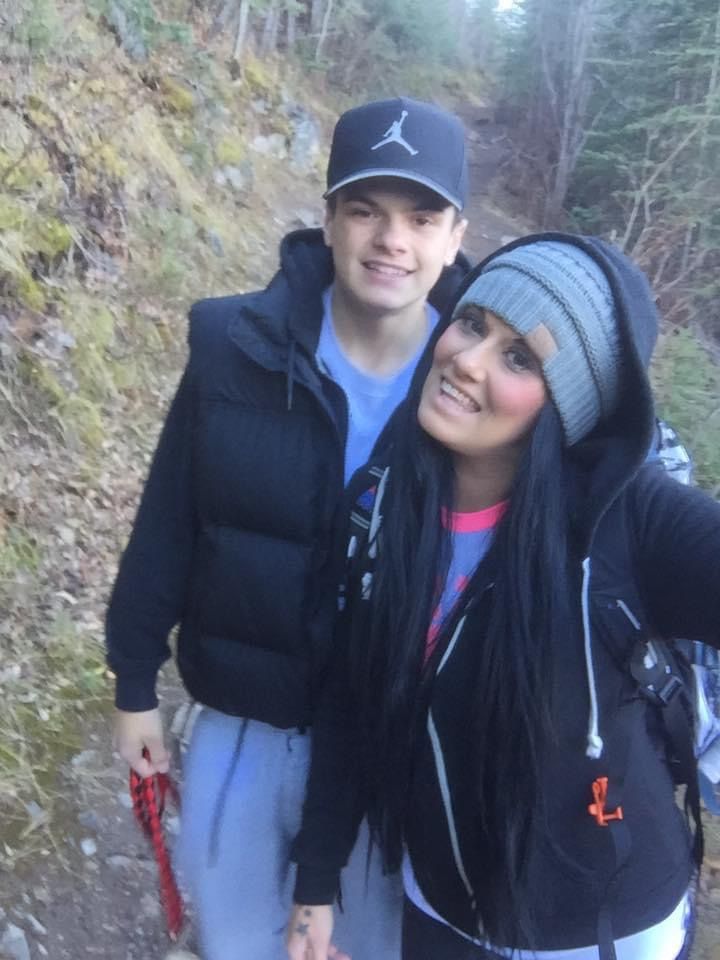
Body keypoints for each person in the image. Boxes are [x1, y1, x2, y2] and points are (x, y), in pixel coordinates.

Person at [105, 96, 470, 959]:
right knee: (235, 940)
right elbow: (168, 520)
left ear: (456, 236)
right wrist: (132, 683)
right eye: (366, 211)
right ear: (329, 219)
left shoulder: (475, 392)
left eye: (421, 218)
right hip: (244, 725)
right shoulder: (237, 347)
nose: (392, 241)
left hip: (388, 753)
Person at [287, 235, 720, 960]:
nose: (468, 358)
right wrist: (315, 882)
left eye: (521, 358)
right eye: (473, 322)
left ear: (569, 403)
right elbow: (352, 706)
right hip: (440, 914)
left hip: (603, 935)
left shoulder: (625, 521)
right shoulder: (387, 501)